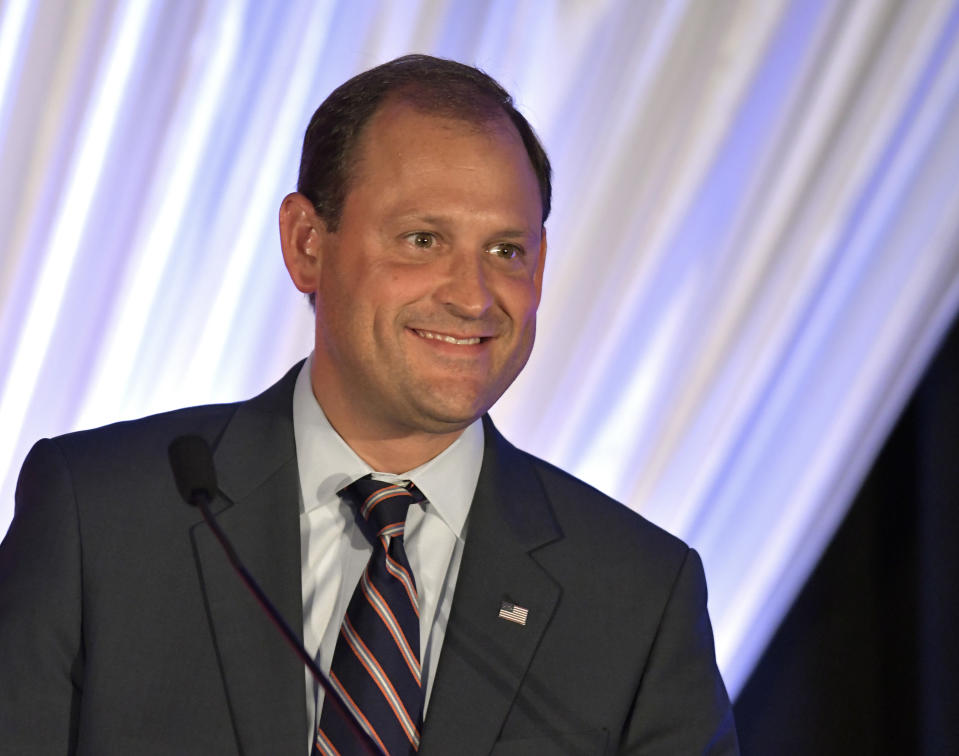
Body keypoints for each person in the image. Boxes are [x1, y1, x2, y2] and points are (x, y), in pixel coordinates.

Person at [0, 55, 738, 755]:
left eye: (506, 251)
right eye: (423, 239)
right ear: (305, 244)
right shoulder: (100, 516)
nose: (472, 296)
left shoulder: (635, 595)